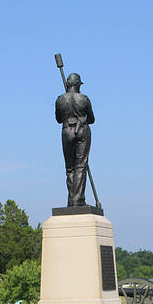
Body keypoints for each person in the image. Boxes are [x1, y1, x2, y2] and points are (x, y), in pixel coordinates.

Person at [55, 72, 95, 206]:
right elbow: (92, 119)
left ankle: (72, 200)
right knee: (80, 166)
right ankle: (78, 200)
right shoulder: (84, 99)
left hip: (66, 131)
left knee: (70, 168)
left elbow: (59, 119)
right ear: (78, 85)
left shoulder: (60, 99)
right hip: (82, 131)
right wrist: (81, 118)